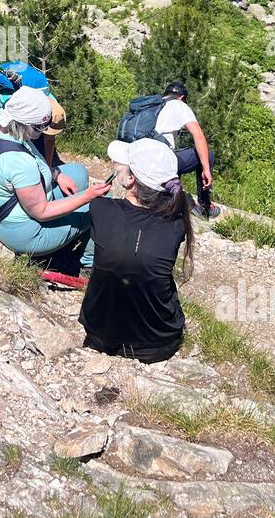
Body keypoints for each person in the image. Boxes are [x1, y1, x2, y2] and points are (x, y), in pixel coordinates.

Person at [79, 139, 193, 364]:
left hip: (100, 334)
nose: (116, 165)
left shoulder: (101, 208)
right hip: (159, 344)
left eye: (121, 164)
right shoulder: (179, 219)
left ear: (130, 179)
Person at [0, 87, 110, 270]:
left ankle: (67, 235)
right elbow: (41, 212)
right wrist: (87, 197)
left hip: (18, 206)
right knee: (100, 208)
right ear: (27, 124)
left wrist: (56, 175)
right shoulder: (19, 162)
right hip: (25, 232)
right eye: (40, 127)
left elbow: (34, 166)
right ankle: (88, 265)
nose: (43, 131)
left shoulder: (3, 130)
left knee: (79, 173)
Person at [151, 81, 220, 219]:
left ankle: (168, 194)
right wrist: (206, 169)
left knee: (174, 154)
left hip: (142, 158)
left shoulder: (155, 105)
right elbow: (198, 135)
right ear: (182, 97)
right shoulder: (179, 105)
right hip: (161, 160)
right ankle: (205, 206)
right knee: (208, 155)